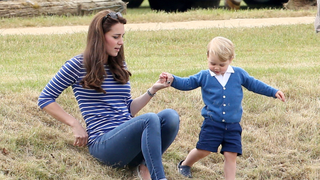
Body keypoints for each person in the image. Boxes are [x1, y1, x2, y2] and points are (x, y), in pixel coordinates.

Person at [37, 10, 180, 180]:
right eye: (116, 37)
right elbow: (45, 98)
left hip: (127, 143)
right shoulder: (77, 65)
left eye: (123, 36)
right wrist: (74, 123)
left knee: (170, 116)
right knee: (149, 119)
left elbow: (129, 109)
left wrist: (153, 90)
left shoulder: (118, 65)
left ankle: (144, 166)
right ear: (99, 37)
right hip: (103, 144)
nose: (121, 42)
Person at [162, 36, 286, 180]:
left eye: (222, 64)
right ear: (207, 57)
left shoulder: (239, 74)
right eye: (213, 63)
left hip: (233, 125)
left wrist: (273, 91)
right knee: (203, 150)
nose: (217, 68)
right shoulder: (204, 76)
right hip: (212, 123)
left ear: (231, 59)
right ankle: (185, 164)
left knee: (231, 154)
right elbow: (187, 83)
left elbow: (255, 84)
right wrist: (172, 79)